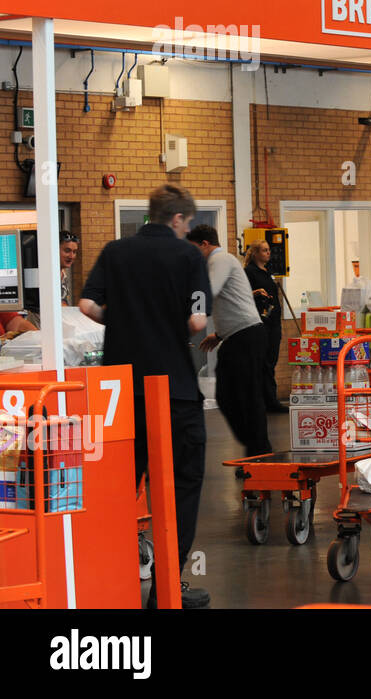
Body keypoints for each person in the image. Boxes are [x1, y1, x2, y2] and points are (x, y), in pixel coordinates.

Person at [79, 184, 212, 609]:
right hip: (173, 392)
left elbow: (86, 306)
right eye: (187, 222)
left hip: (120, 395)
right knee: (180, 490)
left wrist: (124, 320)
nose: (187, 229)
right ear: (176, 219)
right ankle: (166, 592)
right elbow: (196, 322)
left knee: (118, 492)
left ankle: (110, 588)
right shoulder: (189, 256)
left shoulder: (114, 252)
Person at [187, 225, 271, 458]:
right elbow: (230, 300)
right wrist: (221, 334)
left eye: (193, 249)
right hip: (238, 336)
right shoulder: (218, 262)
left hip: (247, 335)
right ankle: (255, 449)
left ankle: (259, 453)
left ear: (205, 244)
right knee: (228, 395)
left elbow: (208, 291)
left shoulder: (220, 259)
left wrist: (186, 311)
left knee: (246, 396)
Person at [244, 240, 288, 413]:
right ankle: (267, 401)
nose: (268, 253)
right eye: (264, 250)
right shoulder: (249, 272)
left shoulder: (268, 272)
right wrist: (254, 292)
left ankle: (268, 399)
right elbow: (240, 294)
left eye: (269, 250)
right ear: (255, 253)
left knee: (271, 361)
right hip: (259, 322)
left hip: (274, 322)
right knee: (262, 363)